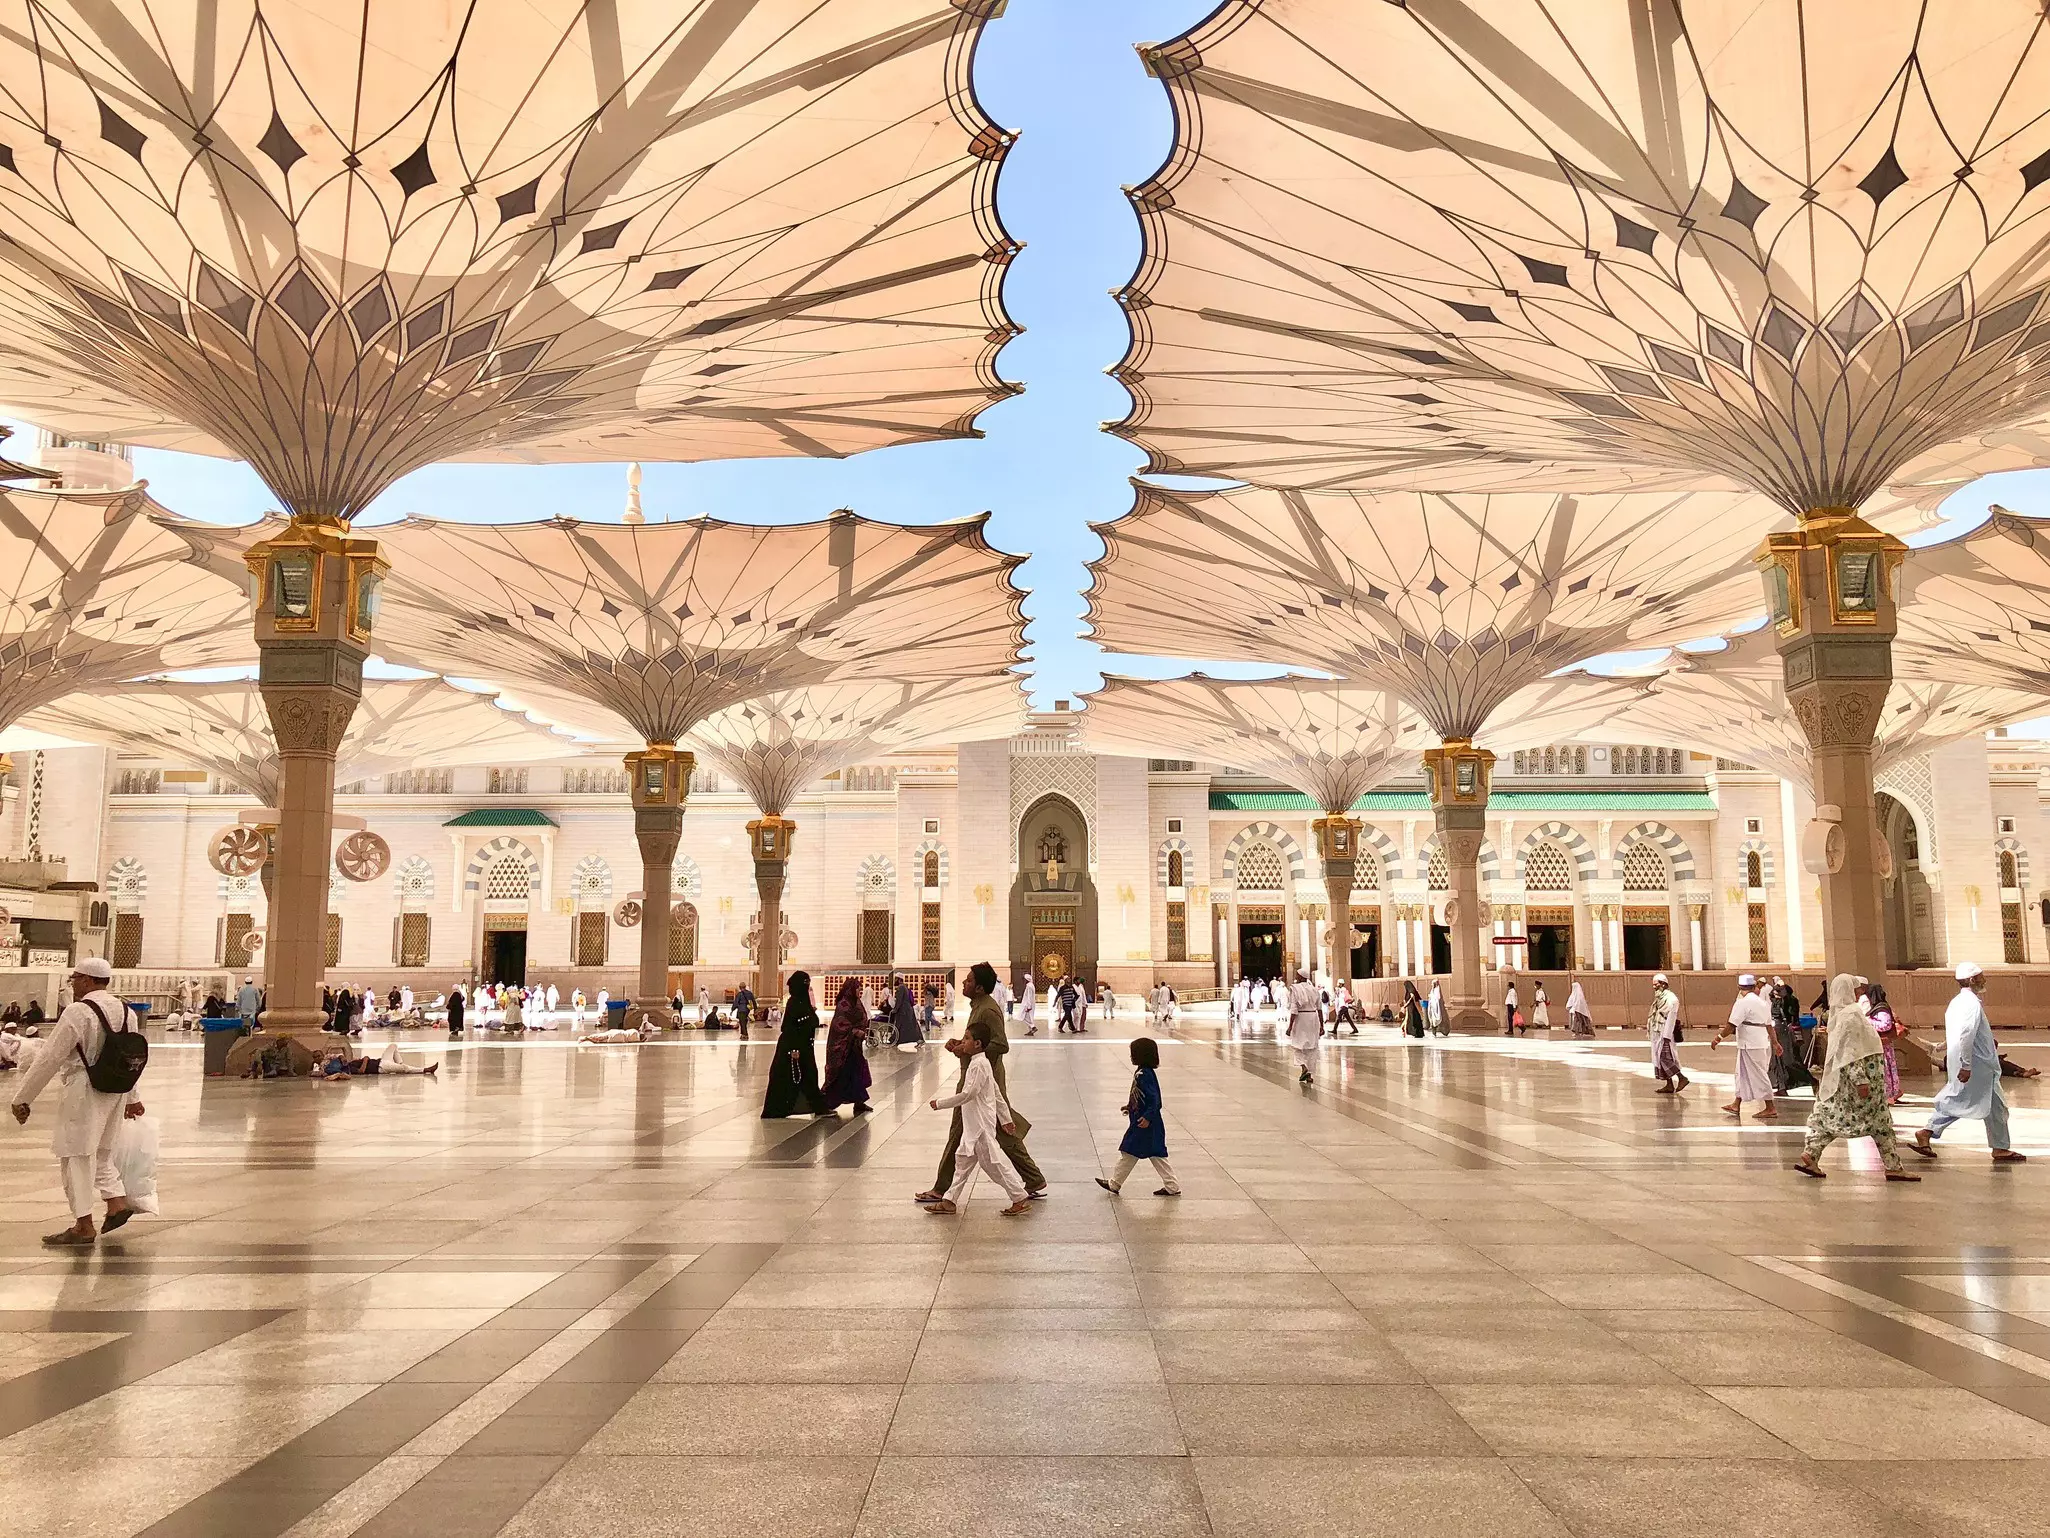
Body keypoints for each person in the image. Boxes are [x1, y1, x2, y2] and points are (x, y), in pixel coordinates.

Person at [8, 959, 145, 1247]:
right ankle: (116, 1203)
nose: (73, 985)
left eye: (74, 979)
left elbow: (50, 1058)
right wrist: (133, 1097)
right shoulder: (127, 1011)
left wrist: (23, 1098)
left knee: (75, 1155)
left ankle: (83, 1225)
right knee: (104, 1152)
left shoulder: (78, 1012)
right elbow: (129, 1057)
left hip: (83, 1090)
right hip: (116, 1090)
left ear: (86, 980)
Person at [916, 962, 1045, 1203]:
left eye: (968, 980)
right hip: (977, 1074)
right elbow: (976, 1041)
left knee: (968, 1130)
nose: (964, 983)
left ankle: (941, 1189)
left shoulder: (988, 1010)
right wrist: (960, 1044)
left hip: (984, 1079)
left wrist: (970, 1051)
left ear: (979, 987)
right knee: (999, 1129)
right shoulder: (978, 1007)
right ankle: (1033, 1177)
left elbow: (1001, 1044)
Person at [1794, 973, 1917, 1182]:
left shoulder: (1840, 1014)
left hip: (1848, 1080)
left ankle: (1812, 1153)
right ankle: (1893, 1167)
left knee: (1831, 1118)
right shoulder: (1851, 1014)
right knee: (1881, 1124)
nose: (1861, 991)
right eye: (1856, 988)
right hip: (1863, 1080)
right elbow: (1850, 1050)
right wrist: (1860, 1080)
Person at [1912, 962, 2027, 1165]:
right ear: (1973, 980)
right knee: (1959, 1101)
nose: (1984, 980)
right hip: (1976, 1065)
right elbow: (1966, 1034)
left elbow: (1960, 1033)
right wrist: (1966, 1066)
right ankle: (1927, 1131)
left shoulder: (1958, 1002)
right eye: (1981, 977)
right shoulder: (1970, 1004)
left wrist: (1942, 1047)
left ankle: (2000, 1147)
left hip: (1976, 1064)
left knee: (1995, 1107)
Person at [922, 1017, 1031, 1217]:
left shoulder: (979, 1065)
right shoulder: (981, 1063)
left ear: (978, 1044)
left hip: (980, 1126)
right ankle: (949, 1200)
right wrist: (1005, 1119)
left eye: (967, 1039)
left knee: (993, 1165)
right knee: (962, 1161)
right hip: (975, 1125)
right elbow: (996, 1092)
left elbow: (968, 1094)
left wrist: (940, 1103)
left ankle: (1019, 1197)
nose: (963, 1042)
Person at [1096, 1036, 1181, 1196]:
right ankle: (1171, 1186)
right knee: (1147, 1154)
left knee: (1136, 1153)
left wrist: (1147, 1117)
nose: (1130, 1056)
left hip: (1145, 1124)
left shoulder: (1144, 1074)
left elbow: (1155, 1100)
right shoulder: (1144, 1072)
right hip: (1143, 1122)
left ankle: (1115, 1184)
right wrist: (1130, 1106)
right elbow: (1141, 1095)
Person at [762, 972, 830, 1118]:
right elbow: (788, 1027)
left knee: (809, 1076)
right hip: (794, 1049)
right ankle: (778, 1109)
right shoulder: (794, 1002)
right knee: (791, 1078)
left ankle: (818, 1107)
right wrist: (794, 1049)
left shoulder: (802, 1001)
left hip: (805, 1047)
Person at [1713, 973, 1777, 1121]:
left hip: (1750, 1043)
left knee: (1759, 1074)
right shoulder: (1762, 1002)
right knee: (1741, 1073)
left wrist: (1718, 1038)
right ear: (1754, 987)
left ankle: (1770, 1107)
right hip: (1759, 1041)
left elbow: (1731, 1024)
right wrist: (1775, 1043)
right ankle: (1736, 1104)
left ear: (1739, 988)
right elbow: (1769, 1026)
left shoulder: (1742, 1002)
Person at [821, 977, 874, 1113]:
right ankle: (825, 1104)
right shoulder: (844, 1005)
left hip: (854, 1047)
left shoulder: (856, 1002)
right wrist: (855, 1032)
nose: (860, 991)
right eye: (858, 989)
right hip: (843, 1049)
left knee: (856, 1074)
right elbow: (840, 1025)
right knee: (841, 1076)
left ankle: (859, 1102)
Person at [1768, 976, 1815, 1094]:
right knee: (1778, 1060)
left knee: (1788, 1059)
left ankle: (1809, 1080)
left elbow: (1788, 1015)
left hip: (1782, 1032)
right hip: (1778, 1030)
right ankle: (1781, 1086)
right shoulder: (1777, 1001)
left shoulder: (1787, 1001)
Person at [1866, 981, 1905, 1104]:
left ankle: (1890, 1094)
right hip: (1881, 1044)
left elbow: (1885, 1025)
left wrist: (1868, 1022)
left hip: (1884, 1045)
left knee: (1886, 1070)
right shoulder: (1877, 1008)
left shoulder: (1881, 1009)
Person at [1648, 973, 1687, 1093]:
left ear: (1664, 984)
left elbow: (1671, 1017)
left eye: (1657, 984)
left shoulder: (1671, 998)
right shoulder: (1659, 998)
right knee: (1659, 1059)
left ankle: (1682, 1078)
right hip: (1657, 1031)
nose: (1655, 987)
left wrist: (1666, 1035)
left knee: (1665, 1058)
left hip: (1665, 1033)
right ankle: (1669, 1084)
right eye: (1653, 985)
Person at [317, 1043, 440, 1079]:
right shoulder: (349, 1068)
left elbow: (338, 1056)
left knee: (393, 1046)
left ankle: (398, 1064)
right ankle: (425, 1070)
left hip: (381, 1061)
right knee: (405, 1069)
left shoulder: (348, 1062)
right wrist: (365, 1060)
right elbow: (361, 1072)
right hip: (380, 1068)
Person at [1287, 967, 1322, 1084]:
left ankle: (1304, 1068)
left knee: (1298, 1045)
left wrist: (1290, 1026)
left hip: (1301, 1018)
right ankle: (1309, 1075)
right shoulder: (1314, 990)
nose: (1296, 977)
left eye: (1297, 975)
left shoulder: (1295, 989)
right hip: (1313, 1018)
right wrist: (1322, 1025)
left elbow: (1294, 1010)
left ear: (1301, 977)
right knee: (1311, 1046)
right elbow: (1320, 1009)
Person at [891, 977, 922, 1049]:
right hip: (906, 1010)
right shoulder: (904, 987)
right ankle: (895, 1040)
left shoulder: (901, 987)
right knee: (909, 1026)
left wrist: (895, 1009)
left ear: (899, 980)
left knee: (905, 1026)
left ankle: (895, 1040)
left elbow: (899, 1000)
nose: (894, 980)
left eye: (896, 979)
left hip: (904, 1011)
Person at [1018, 973, 1037, 1037]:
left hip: (1027, 1004)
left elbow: (1029, 996)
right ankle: (1031, 1031)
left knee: (1023, 1017)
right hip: (1030, 1004)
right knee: (1029, 1017)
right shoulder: (1031, 985)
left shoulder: (1029, 986)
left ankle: (1033, 1027)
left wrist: (1029, 1006)